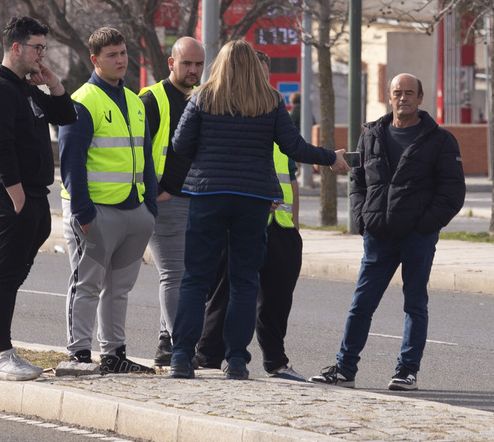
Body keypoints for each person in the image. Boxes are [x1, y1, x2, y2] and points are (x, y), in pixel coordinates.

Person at [167, 40, 349, 381]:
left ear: (219, 64)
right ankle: (236, 360)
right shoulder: (270, 101)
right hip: (253, 199)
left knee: (195, 278)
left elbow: (179, 145)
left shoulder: (203, 97)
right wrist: (330, 158)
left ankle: (181, 357)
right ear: (253, 66)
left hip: (208, 195)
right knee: (244, 280)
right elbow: (293, 146)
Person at [310, 73, 465, 391]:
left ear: (421, 98)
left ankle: (406, 371)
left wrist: (425, 226)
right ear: (389, 96)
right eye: (397, 92)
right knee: (361, 304)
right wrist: (361, 219)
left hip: (417, 238)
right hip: (378, 235)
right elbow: (358, 181)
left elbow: (452, 193)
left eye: (410, 92)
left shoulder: (440, 140)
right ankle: (345, 369)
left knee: (414, 304)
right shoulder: (372, 135)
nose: (403, 97)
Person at [0, 16, 78, 380]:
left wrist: (53, 83)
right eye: (37, 48)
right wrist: (16, 197)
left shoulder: (25, 87)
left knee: (15, 274)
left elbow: (67, 116)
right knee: (4, 276)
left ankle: (5, 350)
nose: (41, 55)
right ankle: (0, 355)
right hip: (13, 197)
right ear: (16, 47)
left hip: (35, 194)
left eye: (44, 48)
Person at [58, 27, 158, 375]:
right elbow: (71, 162)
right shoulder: (82, 101)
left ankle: (115, 354)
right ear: (95, 59)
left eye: (123, 52)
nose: (120, 60)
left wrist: (151, 210)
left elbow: (145, 158)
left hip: (134, 211)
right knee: (86, 285)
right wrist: (83, 212)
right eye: (112, 55)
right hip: (95, 213)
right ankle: (79, 356)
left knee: (119, 290)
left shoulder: (134, 100)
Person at [194, 144, 305, 379]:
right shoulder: (239, 122)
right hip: (242, 222)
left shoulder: (281, 128)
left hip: (281, 225)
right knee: (225, 292)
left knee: (277, 299)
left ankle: (276, 362)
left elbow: (291, 176)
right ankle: (208, 358)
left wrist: (294, 223)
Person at [140, 36, 205, 365]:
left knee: (184, 274)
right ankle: (178, 345)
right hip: (165, 200)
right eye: (187, 64)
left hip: (190, 198)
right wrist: (156, 189)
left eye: (198, 65)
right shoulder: (152, 99)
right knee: (175, 273)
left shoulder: (200, 98)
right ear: (171, 64)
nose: (193, 70)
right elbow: (136, 151)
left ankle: (168, 343)